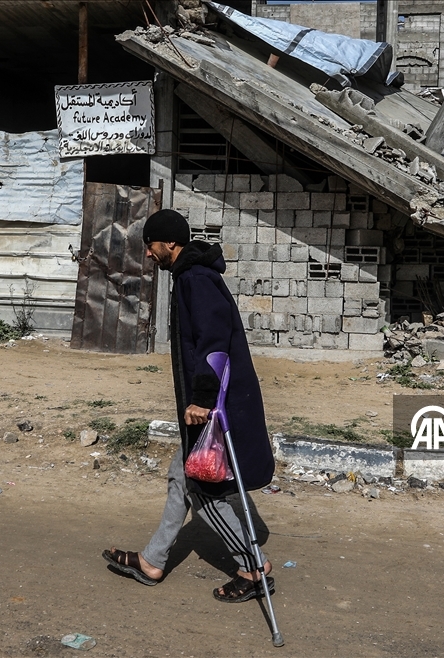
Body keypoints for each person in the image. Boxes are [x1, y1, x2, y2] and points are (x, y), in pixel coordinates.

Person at [103, 209, 276, 603]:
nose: (148, 254)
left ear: (169, 243)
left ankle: (253, 566)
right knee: (181, 475)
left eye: (150, 245)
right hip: (214, 402)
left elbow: (214, 343)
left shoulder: (196, 279)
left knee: (202, 485)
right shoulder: (190, 276)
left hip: (217, 405)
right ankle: (152, 560)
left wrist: (201, 399)